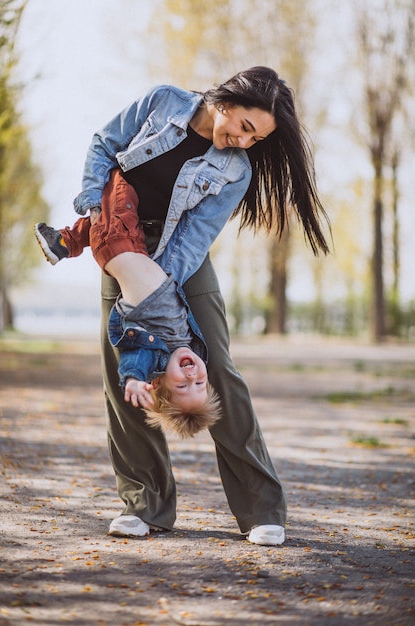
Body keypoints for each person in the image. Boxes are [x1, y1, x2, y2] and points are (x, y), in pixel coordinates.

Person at [52, 66, 330, 543]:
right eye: (244, 127)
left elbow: (194, 240)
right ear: (226, 100)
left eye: (255, 139)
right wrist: (93, 208)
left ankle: (262, 510)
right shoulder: (163, 101)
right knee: (127, 374)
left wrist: (153, 291)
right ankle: (146, 504)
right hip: (122, 242)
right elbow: (104, 143)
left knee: (216, 368)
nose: (244, 143)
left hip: (179, 261)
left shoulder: (236, 171)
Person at [35, 171, 221, 438]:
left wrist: (133, 380)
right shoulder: (190, 347)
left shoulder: (153, 355)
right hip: (132, 246)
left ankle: (70, 237)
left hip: (117, 245)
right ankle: (64, 242)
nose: (192, 378)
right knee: (104, 215)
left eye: (183, 387)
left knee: (123, 178)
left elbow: (135, 360)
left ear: (157, 381)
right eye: (200, 383)